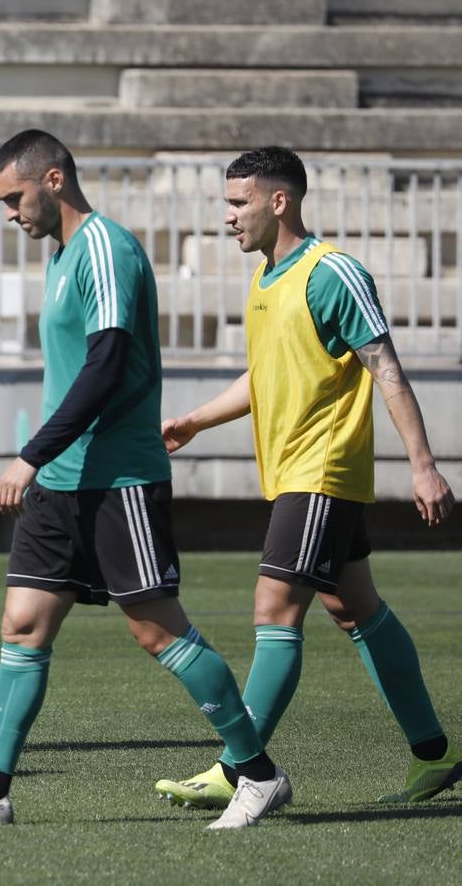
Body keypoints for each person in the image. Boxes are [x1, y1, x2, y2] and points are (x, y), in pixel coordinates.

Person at [0, 129, 289, 831]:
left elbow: (108, 364)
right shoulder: (60, 257)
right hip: (63, 483)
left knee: (157, 632)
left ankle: (258, 775)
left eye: (15, 198)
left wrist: (31, 452)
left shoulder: (108, 248)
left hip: (118, 479)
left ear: (53, 181)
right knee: (23, 623)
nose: (10, 213)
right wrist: (47, 461)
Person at [153, 146, 459, 809]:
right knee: (354, 608)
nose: (228, 218)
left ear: (278, 201)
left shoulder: (332, 272)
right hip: (297, 472)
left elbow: (386, 368)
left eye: (238, 204)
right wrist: (196, 421)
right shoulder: (266, 281)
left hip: (321, 470)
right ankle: (438, 754)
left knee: (274, 609)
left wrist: (424, 466)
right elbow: (266, 378)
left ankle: (241, 770)